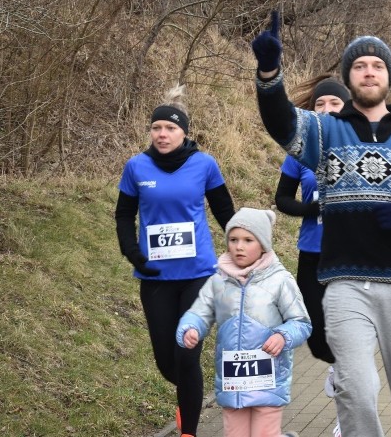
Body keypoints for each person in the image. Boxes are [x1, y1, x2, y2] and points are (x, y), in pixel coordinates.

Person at [251, 11, 391, 437]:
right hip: (345, 281)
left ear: (389, 77)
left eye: (377, 65)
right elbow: (281, 123)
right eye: (360, 65)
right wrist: (269, 72)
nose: (369, 71)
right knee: (356, 388)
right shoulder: (327, 131)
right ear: (350, 78)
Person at [114, 85, 236, 437]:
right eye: (156, 128)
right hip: (154, 277)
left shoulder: (205, 164)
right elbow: (123, 215)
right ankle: (188, 398)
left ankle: (189, 432)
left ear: (184, 132)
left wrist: (247, 247)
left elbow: (225, 212)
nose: (162, 134)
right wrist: (132, 251)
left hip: (197, 274)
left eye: (170, 128)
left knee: (187, 353)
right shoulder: (137, 167)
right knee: (168, 365)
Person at [176, 207, 311, 437]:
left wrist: (282, 336)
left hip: (268, 379)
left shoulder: (280, 280)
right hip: (233, 383)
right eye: (233, 239)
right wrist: (190, 328)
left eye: (248, 240)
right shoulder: (218, 281)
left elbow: (301, 322)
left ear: (263, 244)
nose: (239, 246)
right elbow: (199, 312)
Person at [273, 76, 348, 435]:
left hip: (354, 256)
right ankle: (336, 366)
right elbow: (282, 199)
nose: (327, 110)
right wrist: (311, 207)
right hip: (313, 251)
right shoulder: (300, 150)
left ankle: (347, 417)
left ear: (346, 108)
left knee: (350, 334)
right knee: (316, 336)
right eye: (320, 104)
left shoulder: (362, 144)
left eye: (335, 104)